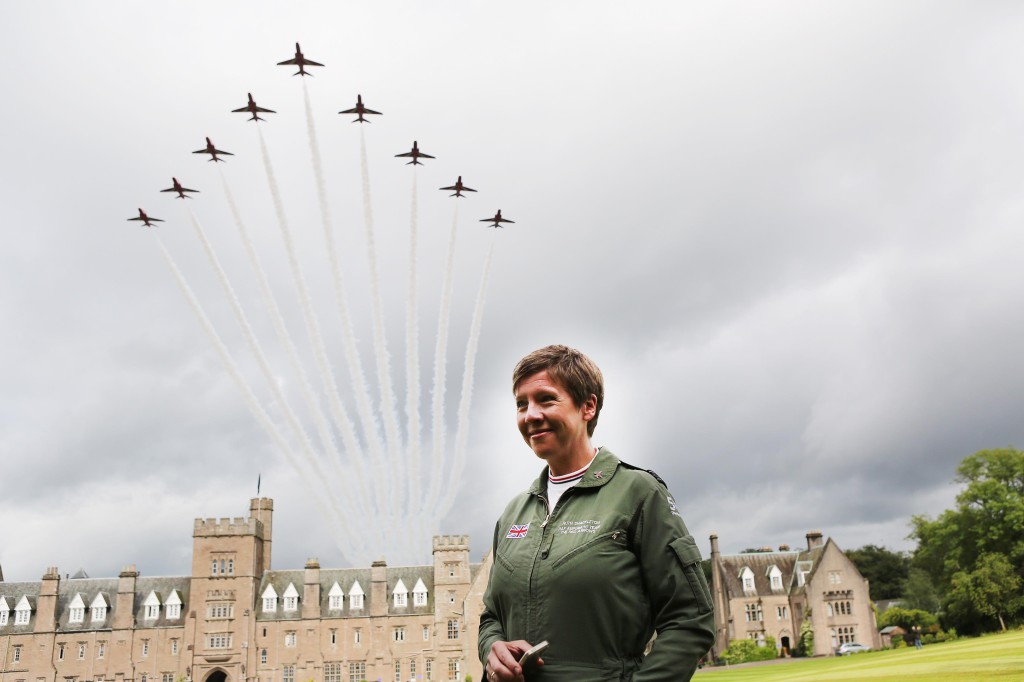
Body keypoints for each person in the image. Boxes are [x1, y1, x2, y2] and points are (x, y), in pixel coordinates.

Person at [479, 345, 716, 681]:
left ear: (588, 406)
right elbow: (491, 616)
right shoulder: (513, 513)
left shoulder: (639, 493)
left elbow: (691, 619)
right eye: (521, 404)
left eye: (545, 399)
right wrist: (491, 647)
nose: (530, 415)